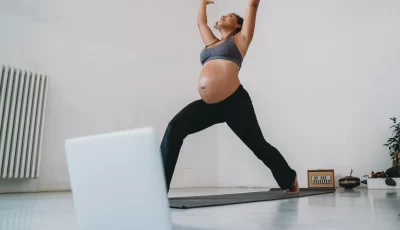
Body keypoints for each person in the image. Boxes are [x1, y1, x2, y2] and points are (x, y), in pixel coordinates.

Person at [160, 0, 299, 194]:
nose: (224, 15)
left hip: (235, 102)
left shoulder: (240, 40)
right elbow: (201, 23)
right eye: (223, 15)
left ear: (238, 25)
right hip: (209, 105)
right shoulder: (211, 43)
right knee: (174, 129)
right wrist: (203, 3)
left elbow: (252, 5)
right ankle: (158, 191)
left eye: (231, 16)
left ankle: (289, 178)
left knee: (258, 145)